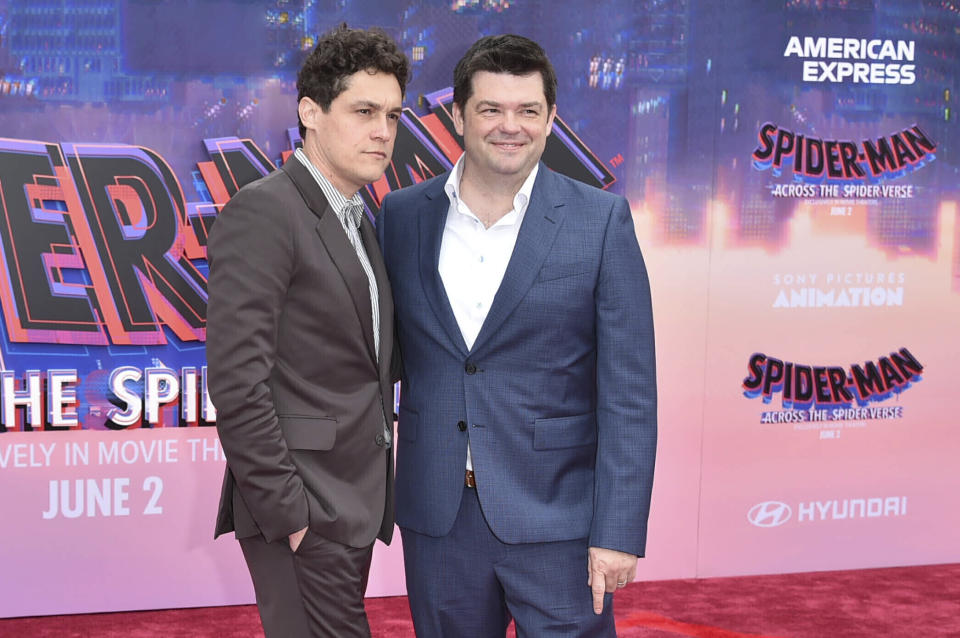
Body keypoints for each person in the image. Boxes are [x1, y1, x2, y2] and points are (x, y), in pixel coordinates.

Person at [377, 34, 657, 637]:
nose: (512, 126)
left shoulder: (601, 221)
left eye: (529, 111)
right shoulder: (402, 216)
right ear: (457, 115)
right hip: (439, 516)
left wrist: (618, 532)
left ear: (551, 118)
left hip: (559, 520)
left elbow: (629, 392)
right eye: (491, 109)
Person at [206, 24, 409, 638]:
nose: (382, 131)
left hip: (349, 502)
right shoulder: (267, 210)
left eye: (393, 115)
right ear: (310, 113)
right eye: (364, 111)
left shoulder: (357, 218)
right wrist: (290, 514)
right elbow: (237, 381)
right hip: (304, 508)